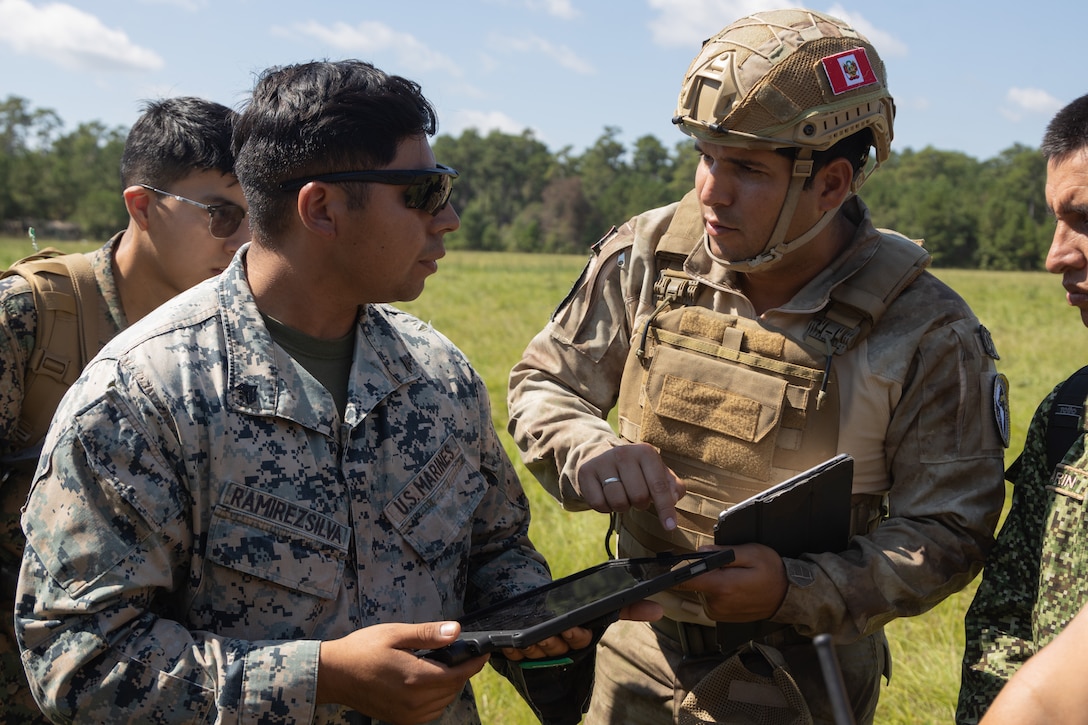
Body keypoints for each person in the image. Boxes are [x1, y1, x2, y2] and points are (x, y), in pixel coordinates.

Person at [13, 59, 623, 725]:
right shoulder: (141, 397)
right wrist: (321, 676)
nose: (447, 218)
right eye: (422, 192)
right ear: (321, 207)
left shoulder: (436, 375)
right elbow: (81, 663)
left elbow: (494, 551)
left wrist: (540, 615)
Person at [507, 8, 1008, 724]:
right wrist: (588, 449)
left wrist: (794, 587)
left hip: (799, 672)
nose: (710, 190)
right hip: (635, 646)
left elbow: (949, 531)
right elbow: (544, 382)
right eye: (706, 155)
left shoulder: (924, 327)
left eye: (745, 167)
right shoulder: (648, 255)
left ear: (833, 183)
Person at [0, 95, 248, 723]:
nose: (245, 241)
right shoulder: (30, 319)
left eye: (258, 216)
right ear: (143, 206)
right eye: (222, 214)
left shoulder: (236, 339)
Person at [957, 92, 1088, 724]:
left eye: (1086, 218)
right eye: (1057, 220)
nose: (1056, 255)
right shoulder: (1069, 412)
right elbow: (1007, 615)